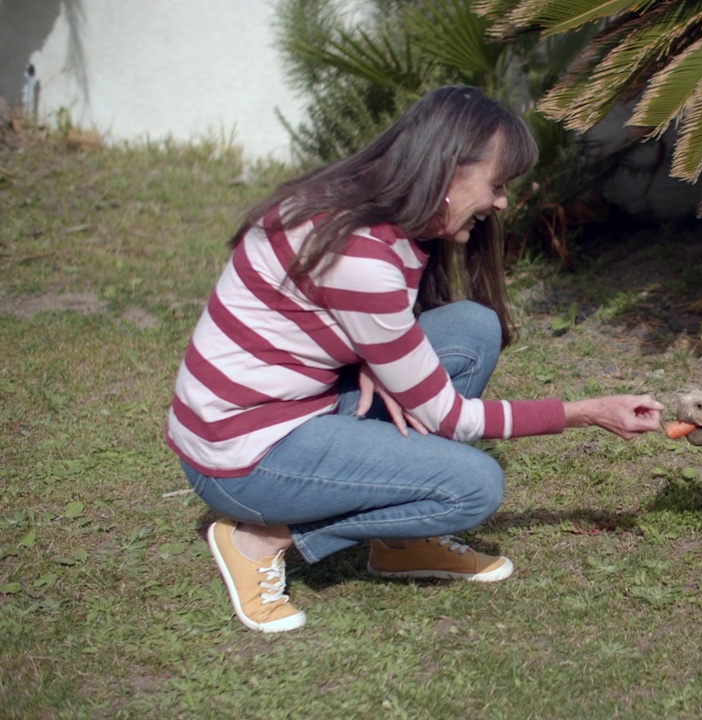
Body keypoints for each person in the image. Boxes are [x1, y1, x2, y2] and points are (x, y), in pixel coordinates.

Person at [167, 85, 664, 633]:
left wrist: (367, 360)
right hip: (242, 457)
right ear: (449, 171)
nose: (501, 202)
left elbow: (322, 314)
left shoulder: (373, 211)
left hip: (287, 409)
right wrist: (587, 412)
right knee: (475, 486)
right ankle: (259, 539)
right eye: (497, 185)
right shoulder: (361, 255)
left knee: (472, 326)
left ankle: (400, 541)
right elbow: (451, 419)